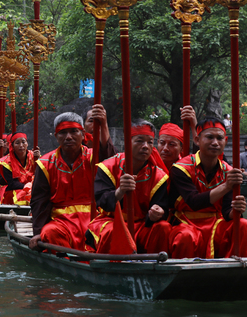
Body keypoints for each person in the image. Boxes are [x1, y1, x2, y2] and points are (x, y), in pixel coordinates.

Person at [169, 117, 247, 259]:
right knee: (186, 236)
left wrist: (237, 209)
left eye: (219, 138)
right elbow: (193, 201)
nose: (215, 142)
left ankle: (239, 274)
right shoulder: (181, 168)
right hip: (186, 222)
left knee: (244, 225)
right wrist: (227, 185)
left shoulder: (229, 171)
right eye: (209, 137)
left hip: (217, 223)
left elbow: (227, 211)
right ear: (197, 140)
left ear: (226, 141)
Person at [86, 120, 171, 254]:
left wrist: (157, 213)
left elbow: (162, 207)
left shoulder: (158, 175)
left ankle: (155, 267)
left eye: (150, 142)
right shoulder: (108, 166)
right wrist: (119, 192)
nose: (145, 146)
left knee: (163, 227)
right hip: (111, 221)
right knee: (113, 231)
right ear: (127, 142)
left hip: (142, 224)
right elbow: (101, 200)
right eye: (139, 141)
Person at [29, 112, 111, 252]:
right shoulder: (45, 163)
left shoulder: (94, 157)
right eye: (63, 132)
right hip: (61, 220)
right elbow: (39, 200)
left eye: (74, 131)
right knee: (49, 233)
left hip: (94, 217)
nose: (68, 137)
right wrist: (37, 232)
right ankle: (68, 261)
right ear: (56, 136)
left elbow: (110, 157)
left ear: (83, 134)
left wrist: (103, 125)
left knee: (111, 231)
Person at [0, 133, 40, 205]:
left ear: (27, 143)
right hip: (15, 189)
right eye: (17, 143)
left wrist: (38, 159)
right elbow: (12, 183)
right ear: (12, 146)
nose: (21, 145)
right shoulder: (6, 162)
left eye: (23, 142)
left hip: (33, 188)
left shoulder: (33, 156)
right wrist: (27, 187)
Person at [157, 105, 197, 170]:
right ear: (158, 142)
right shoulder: (149, 166)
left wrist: (193, 124)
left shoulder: (186, 167)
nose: (165, 149)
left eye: (171, 144)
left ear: (182, 148)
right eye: (162, 143)